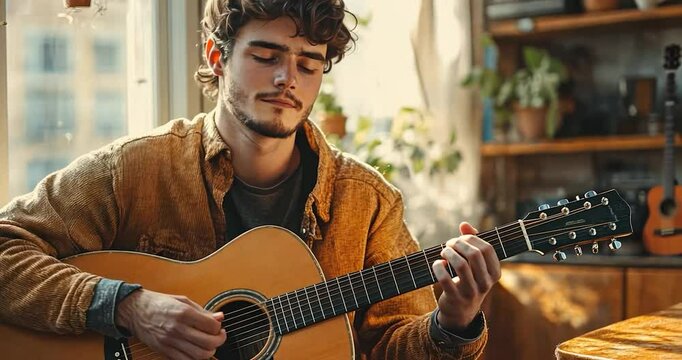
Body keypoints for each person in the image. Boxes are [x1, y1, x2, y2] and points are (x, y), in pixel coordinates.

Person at [0, 0, 501, 359]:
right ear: (218, 59)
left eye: (309, 64)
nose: (288, 79)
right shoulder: (134, 170)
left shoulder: (366, 202)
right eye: (267, 57)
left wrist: (452, 323)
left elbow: (391, 345)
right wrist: (129, 307)